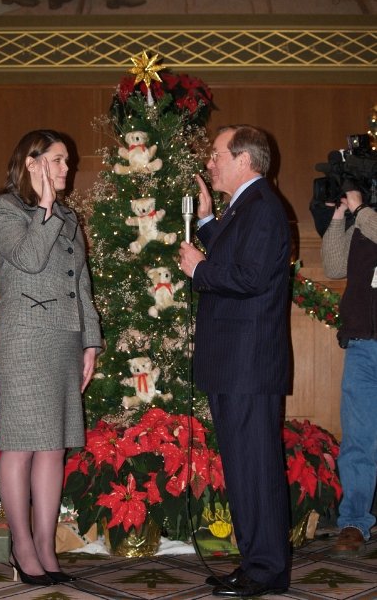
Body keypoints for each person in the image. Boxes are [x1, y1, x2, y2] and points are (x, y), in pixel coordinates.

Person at [179, 125, 291, 598]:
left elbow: (248, 276)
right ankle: (255, 563)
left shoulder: (263, 208)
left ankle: (266, 569)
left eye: (217, 155)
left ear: (243, 159)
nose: (210, 163)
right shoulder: (248, 206)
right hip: (236, 363)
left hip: (249, 364)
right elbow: (237, 256)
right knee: (245, 467)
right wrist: (206, 222)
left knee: (256, 468)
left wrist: (199, 268)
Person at [0, 129, 102, 586]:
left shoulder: (70, 218)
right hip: (22, 338)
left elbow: (82, 282)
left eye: (67, 161)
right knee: (20, 444)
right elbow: (29, 258)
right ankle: (22, 548)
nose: (66, 169)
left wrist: (90, 341)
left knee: (53, 446)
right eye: (58, 160)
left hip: (63, 339)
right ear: (32, 164)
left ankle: (46, 546)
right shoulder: (4, 209)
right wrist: (46, 208)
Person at [321, 189, 377, 557]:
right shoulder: (365, 218)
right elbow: (334, 265)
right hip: (362, 343)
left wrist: (361, 210)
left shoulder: (369, 216)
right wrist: (341, 216)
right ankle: (355, 521)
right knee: (358, 438)